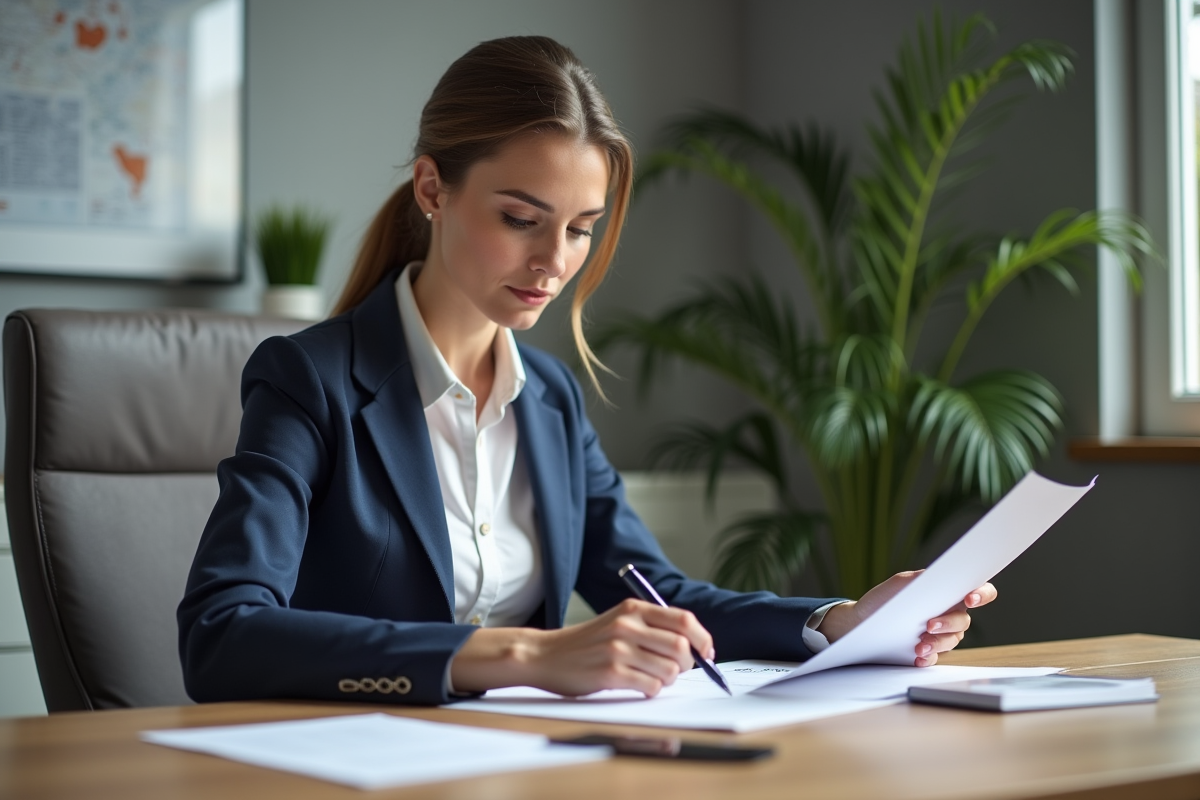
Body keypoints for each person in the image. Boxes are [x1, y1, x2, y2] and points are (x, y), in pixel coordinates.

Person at [177, 35, 995, 706]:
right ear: (432, 187)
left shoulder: (551, 400)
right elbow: (223, 635)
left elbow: (656, 593)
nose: (554, 261)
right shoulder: (308, 378)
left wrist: (837, 621)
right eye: (520, 219)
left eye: (580, 229)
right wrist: (526, 656)